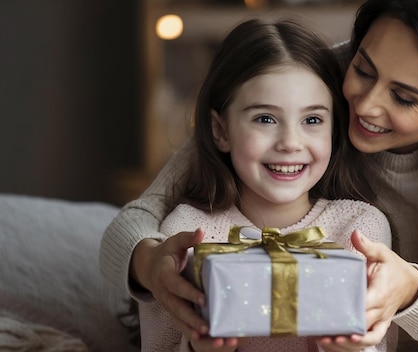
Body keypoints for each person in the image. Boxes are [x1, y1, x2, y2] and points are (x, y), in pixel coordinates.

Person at [100, 0, 418, 351]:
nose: (364, 105)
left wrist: (412, 291)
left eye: (404, 98)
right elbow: (142, 215)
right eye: (363, 69)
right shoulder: (310, 83)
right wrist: (150, 266)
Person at [131, 17, 393, 352]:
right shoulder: (187, 233)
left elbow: (381, 342)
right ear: (220, 130)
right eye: (265, 119)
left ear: (334, 129)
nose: (290, 142)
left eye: (312, 120)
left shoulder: (360, 229)